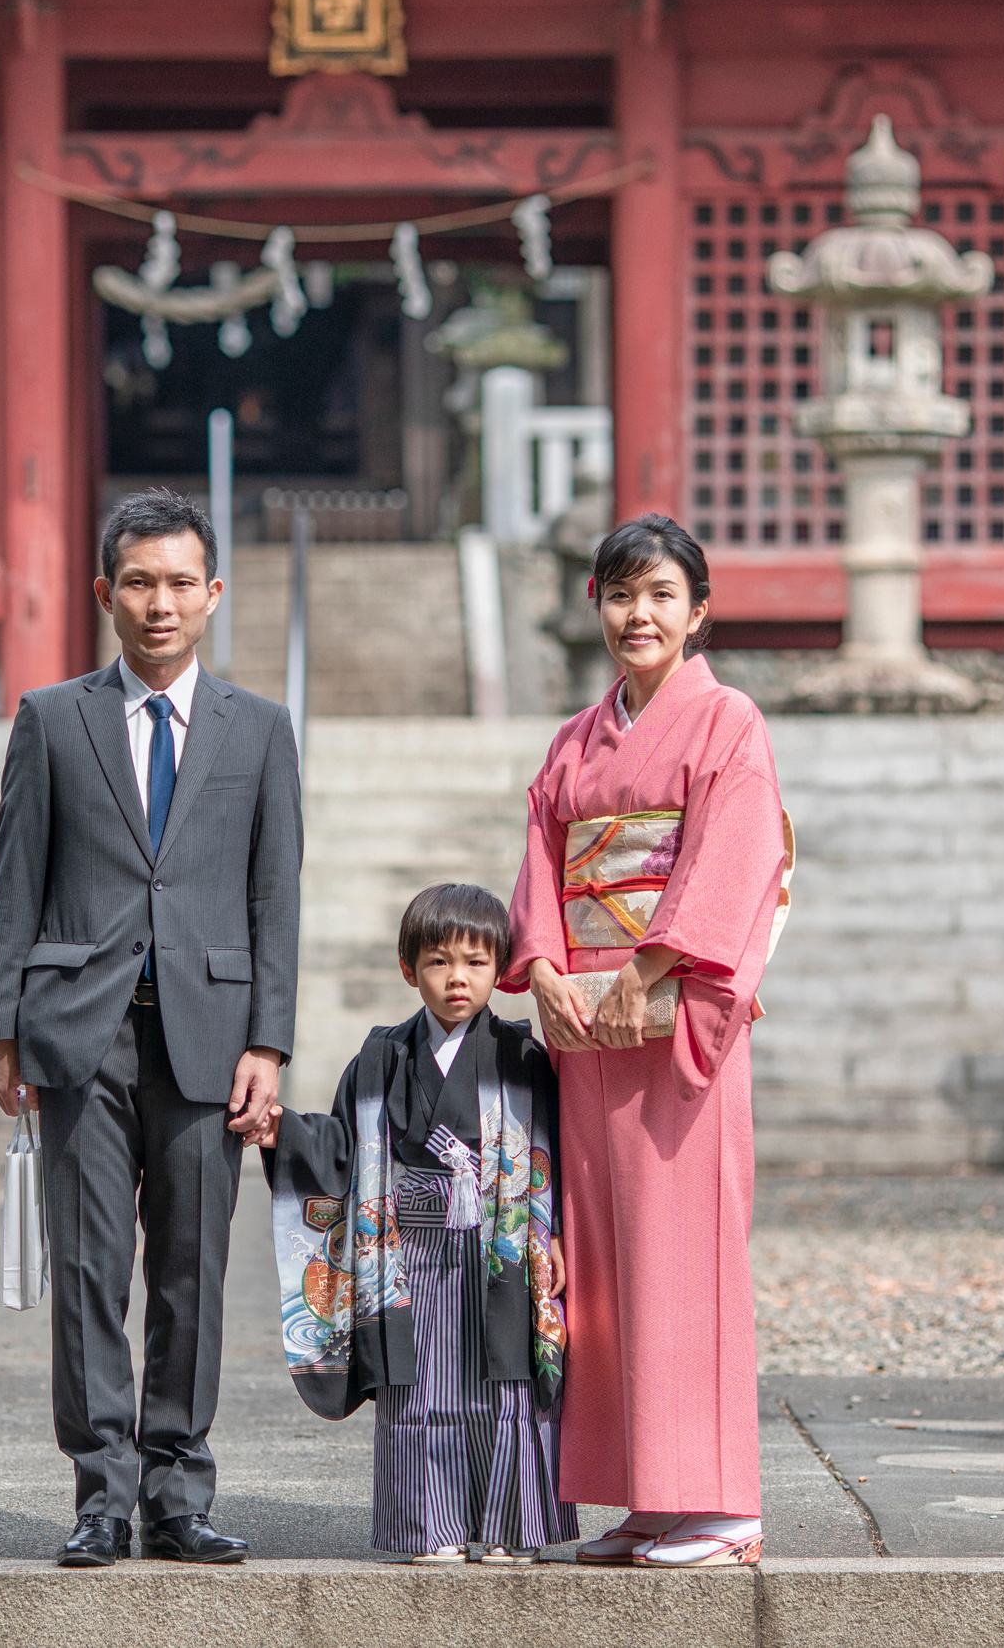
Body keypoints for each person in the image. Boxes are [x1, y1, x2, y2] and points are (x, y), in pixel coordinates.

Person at [0, 486, 302, 1568]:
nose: (158, 604)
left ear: (212, 593)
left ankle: (178, 1492)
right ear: (103, 593)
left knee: (191, 1271)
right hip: (79, 1033)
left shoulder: (257, 730)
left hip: (210, 1037)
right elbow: (13, 879)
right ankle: (100, 1495)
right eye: (138, 583)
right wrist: (2, 1029)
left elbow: (276, 898)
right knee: (86, 1270)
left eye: (178, 583)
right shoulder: (52, 719)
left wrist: (270, 1042)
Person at [504, 514, 790, 1570]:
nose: (640, 614)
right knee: (604, 1263)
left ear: (697, 611)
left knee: (685, 1250)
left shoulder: (728, 722)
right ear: (596, 605)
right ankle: (646, 1494)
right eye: (622, 594)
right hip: (588, 1016)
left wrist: (649, 967)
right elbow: (543, 855)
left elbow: (735, 855)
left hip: (670, 1020)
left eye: (663, 594)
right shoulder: (572, 740)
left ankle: (721, 1503)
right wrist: (538, 965)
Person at [245, 882, 578, 1564]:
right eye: (438, 961)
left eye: (476, 961)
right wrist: (285, 1133)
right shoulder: (380, 1058)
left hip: (501, 1251)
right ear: (409, 968)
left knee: (507, 1379)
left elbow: (554, 1156)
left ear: (502, 967)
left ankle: (514, 1526)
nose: (457, 977)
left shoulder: (522, 1058)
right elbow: (340, 1147)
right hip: (403, 1256)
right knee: (419, 1383)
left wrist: (559, 1232)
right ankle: (434, 1525)